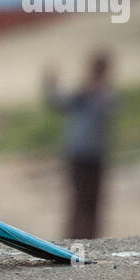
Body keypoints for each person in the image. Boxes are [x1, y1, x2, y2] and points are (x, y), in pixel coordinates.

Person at [44, 52, 116, 239]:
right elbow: (57, 103)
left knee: (91, 202)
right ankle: (77, 239)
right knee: (80, 201)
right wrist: (50, 83)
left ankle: (89, 238)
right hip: (80, 154)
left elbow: (107, 110)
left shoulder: (102, 93)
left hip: (93, 154)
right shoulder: (85, 92)